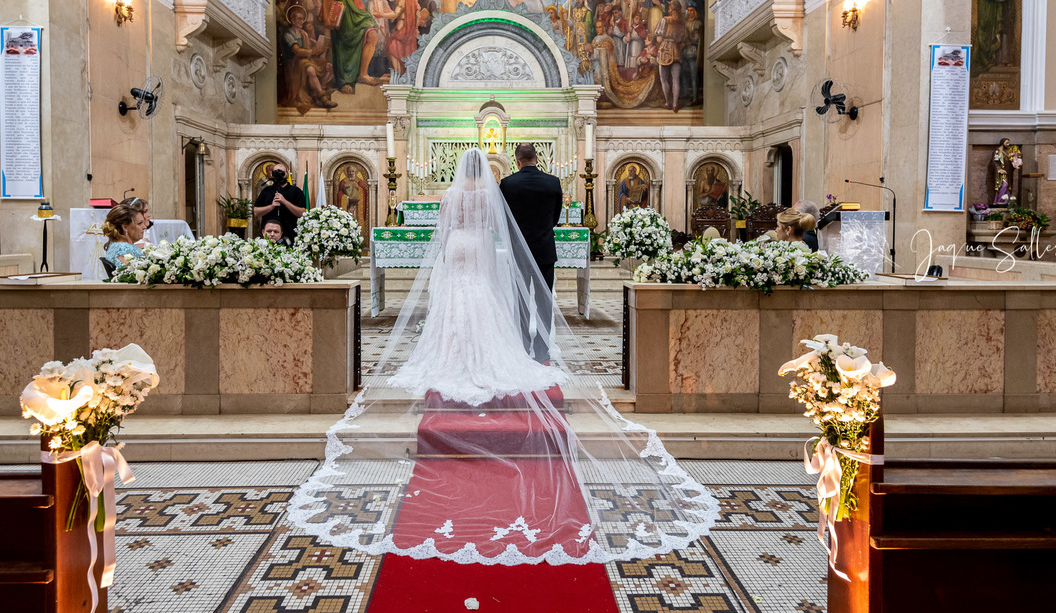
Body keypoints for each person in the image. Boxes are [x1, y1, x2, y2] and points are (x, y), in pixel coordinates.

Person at [286, 147, 720, 566]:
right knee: (485, 299)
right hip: (484, 247)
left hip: (457, 247)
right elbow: (501, 228)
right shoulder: (502, 189)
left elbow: (442, 232)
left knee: (455, 298)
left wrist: (443, 256)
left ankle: (450, 355)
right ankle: (518, 349)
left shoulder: (454, 195)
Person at [500, 143, 564, 362]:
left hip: (518, 252)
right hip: (545, 250)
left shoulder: (507, 184)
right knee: (544, 301)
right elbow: (555, 217)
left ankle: (522, 345)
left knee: (521, 300)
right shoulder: (553, 182)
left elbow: (504, 219)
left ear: (517, 161)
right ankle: (542, 349)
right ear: (537, 158)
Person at [253, 163, 307, 242]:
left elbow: (302, 213)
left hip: (291, 235)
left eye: (282, 172)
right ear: (272, 174)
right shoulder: (266, 191)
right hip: (270, 236)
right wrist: (271, 206)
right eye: (276, 172)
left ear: (287, 174)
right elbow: (256, 212)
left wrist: (284, 202)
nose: (279, 175)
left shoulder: (296, 191)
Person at [102, 203, 146, 268]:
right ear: (125, 227)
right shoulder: (123, 249)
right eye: (139, 223)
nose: (144, 227)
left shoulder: (118, 244)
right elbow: (130, 276)